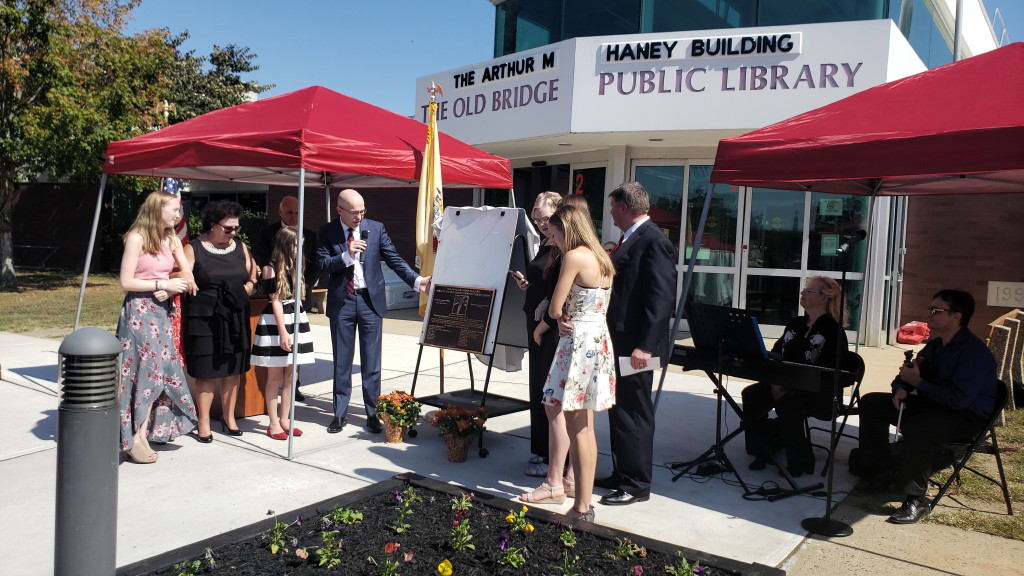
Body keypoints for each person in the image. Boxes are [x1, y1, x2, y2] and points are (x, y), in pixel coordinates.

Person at [856, 289, 998, 524]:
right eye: (930, 309)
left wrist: (919, 384)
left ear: (957, 316)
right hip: (936, 405)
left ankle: (916, 499)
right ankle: (880, 471)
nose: (929, 314)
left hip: (965, 417)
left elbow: (959, 400)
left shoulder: (974, 353)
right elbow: (910, 371)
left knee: (922, 425)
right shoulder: (936, 345)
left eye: (936, 310)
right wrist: (901, 388)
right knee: (872, 402)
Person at [520, 204, 616, 523]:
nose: (554, 241)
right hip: (597, 339)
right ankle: (581, 496)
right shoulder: (602, 256)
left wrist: (548, 323)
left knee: (576, 425)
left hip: (577, 344)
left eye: (555, 233)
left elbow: (557, 306)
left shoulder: (574, 256)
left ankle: (581, 504)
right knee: (585, 427)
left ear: (568, 230)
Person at [316, 188, 429, 434]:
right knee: (342, 362)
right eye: (354, 212)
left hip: (369, 302)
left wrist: (417, 281)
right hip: (342, 302)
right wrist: (346, 255)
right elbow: (322, 265)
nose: (359, 217)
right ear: (339, 211)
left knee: (371, 362)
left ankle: (372, 413)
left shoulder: (376, 228)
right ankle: (339, 413)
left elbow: (394, 259)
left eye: (362, 211)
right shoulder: (327, 232)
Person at [597, 182, 677, 506]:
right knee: (620, 411)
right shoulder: (630, 238)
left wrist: (646, 346)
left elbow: (661, 301)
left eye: (614, 207)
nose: (612, 214)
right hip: (621, 342)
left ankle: (636, 483)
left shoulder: (653, 241)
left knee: (635, 412)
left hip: (637, 347)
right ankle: (622, 472)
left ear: (626, 208)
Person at [116, 191, 198, 463]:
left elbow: (187, 272)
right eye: (174, 209)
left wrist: (177, 282)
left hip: (162, 313)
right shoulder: (136, 238)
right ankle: (133, 437)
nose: (178, 215)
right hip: (139, 313)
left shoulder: (171, 238)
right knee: (142, 372)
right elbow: (126, 282)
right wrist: (162, 284)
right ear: (156, 209)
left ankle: (146, 430)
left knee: (159, 371)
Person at [741, 276, 849, 477]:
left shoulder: (833, 331)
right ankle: (762, 447)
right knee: (752, 395)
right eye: (804, 290)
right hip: (783, 382)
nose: (802, 294)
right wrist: (774, 380)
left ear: (824, 299)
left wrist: (791, 385)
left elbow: (828, 371)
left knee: (788, 403)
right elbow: (775, 354)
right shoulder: (796, 324)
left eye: (809, 291)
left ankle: (799, 461)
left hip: (816, 391)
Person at [183, 200, 259, 442]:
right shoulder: (194, 247)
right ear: (213, 225)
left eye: (236, 228)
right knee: (206, 372)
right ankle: (203, 422)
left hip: (235, 318)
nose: (233, 233)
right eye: (228, 229)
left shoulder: (241, 247)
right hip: (204, 319)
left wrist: (248, 287)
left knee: (232, 371)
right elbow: (180, 273)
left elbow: (252, 275)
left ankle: (229, 418)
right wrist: (184, 277)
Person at [511, 191, 563, 477]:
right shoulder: (547, 242)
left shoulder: (563, 245)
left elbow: (560, 287)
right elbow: (544, 280)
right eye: (537, 219)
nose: (541, 224)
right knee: (538, 387)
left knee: (549, 389)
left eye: (545, 218)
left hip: (549, 325)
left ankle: (552, 458)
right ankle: (541, 449)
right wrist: (527, 284)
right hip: (534, 319)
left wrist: (545, 320)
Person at [251, 226, 314, 440]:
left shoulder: (297, 265)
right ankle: (273, 422)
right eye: (296, 245)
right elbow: (275, 300)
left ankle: (285, 418)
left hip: (296, 317)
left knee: (291, 375)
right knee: (275, 375)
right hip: (277, 320)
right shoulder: (270, 267)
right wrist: (283, 332)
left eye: (301, 245)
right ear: (286, 244)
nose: (299, 249)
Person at [256, 195, 318, 401]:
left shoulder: (309, 235)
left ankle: (294, 388)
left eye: (297, 212)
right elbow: (262, 258)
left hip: (298, 299)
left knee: (296, 355)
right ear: (281, 213)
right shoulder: (268, 233)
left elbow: (315, 265)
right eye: (290, 212)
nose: (293, 216)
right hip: (277, 299)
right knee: (278, 357)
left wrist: (300, 285)